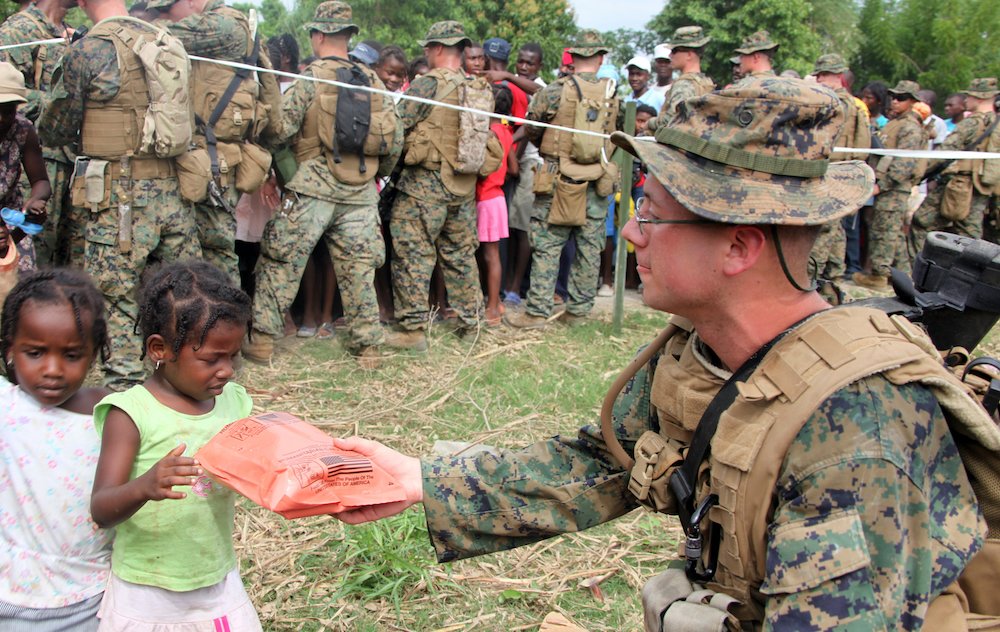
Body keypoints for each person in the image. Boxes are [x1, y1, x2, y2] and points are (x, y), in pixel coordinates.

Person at [332, 77, 986, 631]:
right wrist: (420, 480)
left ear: (739, 247)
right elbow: (602, 464)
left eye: (652, 210)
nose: (635, 233)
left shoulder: (856, 426)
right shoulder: (706, 355)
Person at [39, 0, 202, 391]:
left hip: (120, 200)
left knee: (116, 301)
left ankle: (126, 397)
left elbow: (55, 128)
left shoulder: (90, 49)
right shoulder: (167, 41)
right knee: (184, 296)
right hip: (173, 192)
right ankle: (191, 383)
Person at [90, 260, 259, 630]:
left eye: (233, 356)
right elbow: (102, 509)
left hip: (216, 577)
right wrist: (145, 486)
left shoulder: (233, 401)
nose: (227, 370)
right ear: (159, 349)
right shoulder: (131, 414)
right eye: (211, 359)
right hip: (147, 590)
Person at [243, 1, 402, 368]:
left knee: (281, 262)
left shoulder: (312, 77)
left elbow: (281, 130)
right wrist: (374, 176)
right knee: (360, 270)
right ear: (348, 36)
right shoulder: (374, 81)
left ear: (317, 36)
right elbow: (395, 140)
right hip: (360, 191)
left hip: (312, 186)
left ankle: (263, 342)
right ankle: (368, 350)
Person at [0, 269, 112, 630]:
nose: (52, 370)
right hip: (10, 594)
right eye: (34, 353)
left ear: (93, 355)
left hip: (89, 598)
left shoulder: (112, 415)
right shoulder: (6, 405)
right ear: (10, 349)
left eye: (71, 355)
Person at [148, 0, 282, 284]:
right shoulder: (229, 25)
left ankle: (226, 321)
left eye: (166, 10)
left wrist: (120, 24)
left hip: (212, 160)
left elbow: (157, 36)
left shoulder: (224, 25)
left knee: (216, 254)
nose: (164, 17)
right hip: (206, 157)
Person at [384, 21, 493, 351]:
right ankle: (470, 324)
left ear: (440, 49)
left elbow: (396, 126)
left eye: (428, 48)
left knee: (412, 255)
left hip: (424, 186)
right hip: (462, 187)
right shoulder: (474, 86)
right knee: (460, 256)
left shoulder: (429, 84)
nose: (426, 53)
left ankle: (412, 329)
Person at [504, 29, 620, 329]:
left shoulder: (555, 90)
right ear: (600, 57)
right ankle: (579, 312)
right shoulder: (611, 91)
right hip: (596, 177)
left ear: (573, 57)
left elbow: (532, 128)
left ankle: (537, 312)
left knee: (546, 244)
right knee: (589, 246)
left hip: (556, 175)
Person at [0, 0, 74, 266]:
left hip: (66, 161)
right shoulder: (19, 30)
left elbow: (40, 184)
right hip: (29, 160)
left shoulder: (71, 35)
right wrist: (61, 104)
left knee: (58, 255)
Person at [853, 80, 928, 289]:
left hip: (895, 188)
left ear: (913, 101)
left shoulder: (910, 128)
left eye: (901, 98)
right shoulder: (896, 123)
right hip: (887, 185)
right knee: (891, 232)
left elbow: (904, 164)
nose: (895, 101)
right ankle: (904, 276)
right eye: (893, 97)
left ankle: (880, 274)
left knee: (884, 231)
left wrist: (882, 185)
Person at [807, 53, 870, 301]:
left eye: (824, 74)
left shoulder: (833, 103)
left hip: (829, 171)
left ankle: (811, 280)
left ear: (838, 76)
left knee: (823, 228)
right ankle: (832, 281)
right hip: (842, 172)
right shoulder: (854, 105)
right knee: (835, 230)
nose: (820, 78)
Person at [911, 78, 998, 246]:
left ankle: (925, 268)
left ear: (979, 99)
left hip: (958, 184)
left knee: (921, 223)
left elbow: (944, 152)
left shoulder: (972, 123)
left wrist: (919, 173)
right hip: (983, 187)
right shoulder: (997, 124)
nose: (966, 100)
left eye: (969, 97)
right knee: (969, 234)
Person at [503, 42, 546, 308]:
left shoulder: (539, 87)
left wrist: (507, 143)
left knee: (523, 228)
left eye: (530, 63)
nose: (524, 67)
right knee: (510, 226)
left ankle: (516, 287)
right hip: (511, 164)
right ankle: (509, 284)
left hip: (530, 164)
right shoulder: (514, 87)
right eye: (520, 62)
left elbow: (529, 128)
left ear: (539, 65)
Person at [0, 60, 49, 275]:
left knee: (20, 293)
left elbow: (41, 181)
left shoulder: (23, 130)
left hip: (10, 221)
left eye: (8, 111)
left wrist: (35, 201)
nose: (1, 119)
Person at [476, 84, 514, 326]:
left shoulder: (487, 132)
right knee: (491, 255)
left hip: (485, 198)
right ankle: (494, 302)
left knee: (489, 256)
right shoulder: (506, 131)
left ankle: (491, 308)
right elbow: (514, 167)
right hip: (497, 197)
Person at [648, 26, 713, 131]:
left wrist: (649, 123)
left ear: (689, 54)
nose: (670, 55)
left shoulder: (684, 84)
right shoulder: (706, 82)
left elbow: (671, 121)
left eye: (674, 51)